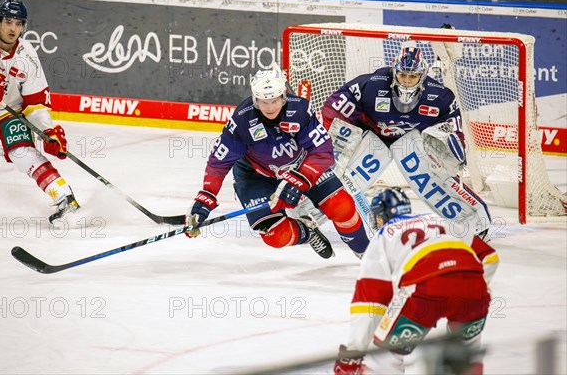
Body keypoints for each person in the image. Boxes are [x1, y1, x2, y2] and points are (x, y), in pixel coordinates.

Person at [185, 65, 370, 258]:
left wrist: (298, 179)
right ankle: (306, 230)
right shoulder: (242, 121)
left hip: (301, 167)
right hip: (257, 178)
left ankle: (366, 253)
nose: (270, 107)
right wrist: (206, 195)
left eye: (274, 100)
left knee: (341, 206)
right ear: (255, 99)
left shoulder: (300, 110)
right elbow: (218, 162)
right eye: (264, 102)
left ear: (283, 96)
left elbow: (323, 152)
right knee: (275, 236)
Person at [322, 46, 491, 239]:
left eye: (413, 76)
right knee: (338, 177)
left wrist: (452, 146)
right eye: (402, 75)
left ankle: (474, 223)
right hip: (373, 136)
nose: (407, 81)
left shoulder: (440, 97)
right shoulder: (371, 85)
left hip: (408, 141)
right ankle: (308, 213)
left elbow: (453, 128)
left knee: (430, 180)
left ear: (423, 76)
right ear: (394, 72)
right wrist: (336, 145)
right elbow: (334, 108)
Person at [333, 187, 499, 374]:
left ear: (380, 217)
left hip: (425, 292)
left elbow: (368, 303)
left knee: (383, 358)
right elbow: (490, 258)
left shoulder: (384, 236)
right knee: (467, 356)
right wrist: (477, 287)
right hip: (473, 291)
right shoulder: (439, 220)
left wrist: (352, 355)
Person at [0, 0, 80, 223]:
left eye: (18, 24)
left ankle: (65, 197)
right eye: (8, 21)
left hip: (6, 115)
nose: (12, 28)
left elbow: (35, 103)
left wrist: (48, 132)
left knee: (22, 153)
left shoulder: (28, 56)